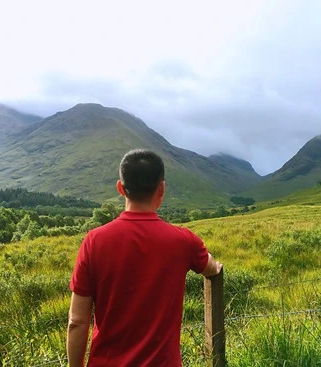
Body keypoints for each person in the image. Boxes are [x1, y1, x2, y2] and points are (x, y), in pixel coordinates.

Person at [67, 148, 223, 366]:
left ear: (120, 188)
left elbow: (77, 320)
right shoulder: (183, 241)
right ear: (162, 188)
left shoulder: (94, 241)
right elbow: (211, 267)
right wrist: (216, 266)